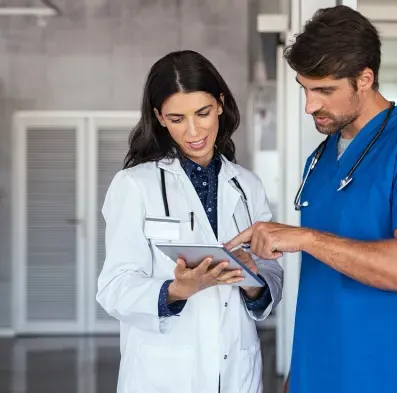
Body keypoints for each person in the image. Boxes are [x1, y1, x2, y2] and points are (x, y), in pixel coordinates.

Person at [225, 5, 397, 393]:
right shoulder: (320, 160)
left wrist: (306, 238)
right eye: (304, 88)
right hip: (316, 373)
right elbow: (321, 284)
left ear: (364, 79)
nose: (310, 105)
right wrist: (296, 374)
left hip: (384, 376)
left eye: (324, 90)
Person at [96, 50, 283, 393]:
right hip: (163, 374)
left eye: (203, 112)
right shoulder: (135, 185)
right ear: (160, 118)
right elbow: (114, 288)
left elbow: (272, 273)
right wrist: (178, 289)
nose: (194, 130)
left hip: (236, 371)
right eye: (177, 118)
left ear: (221, 104)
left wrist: (252, 279)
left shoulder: (247, 185)